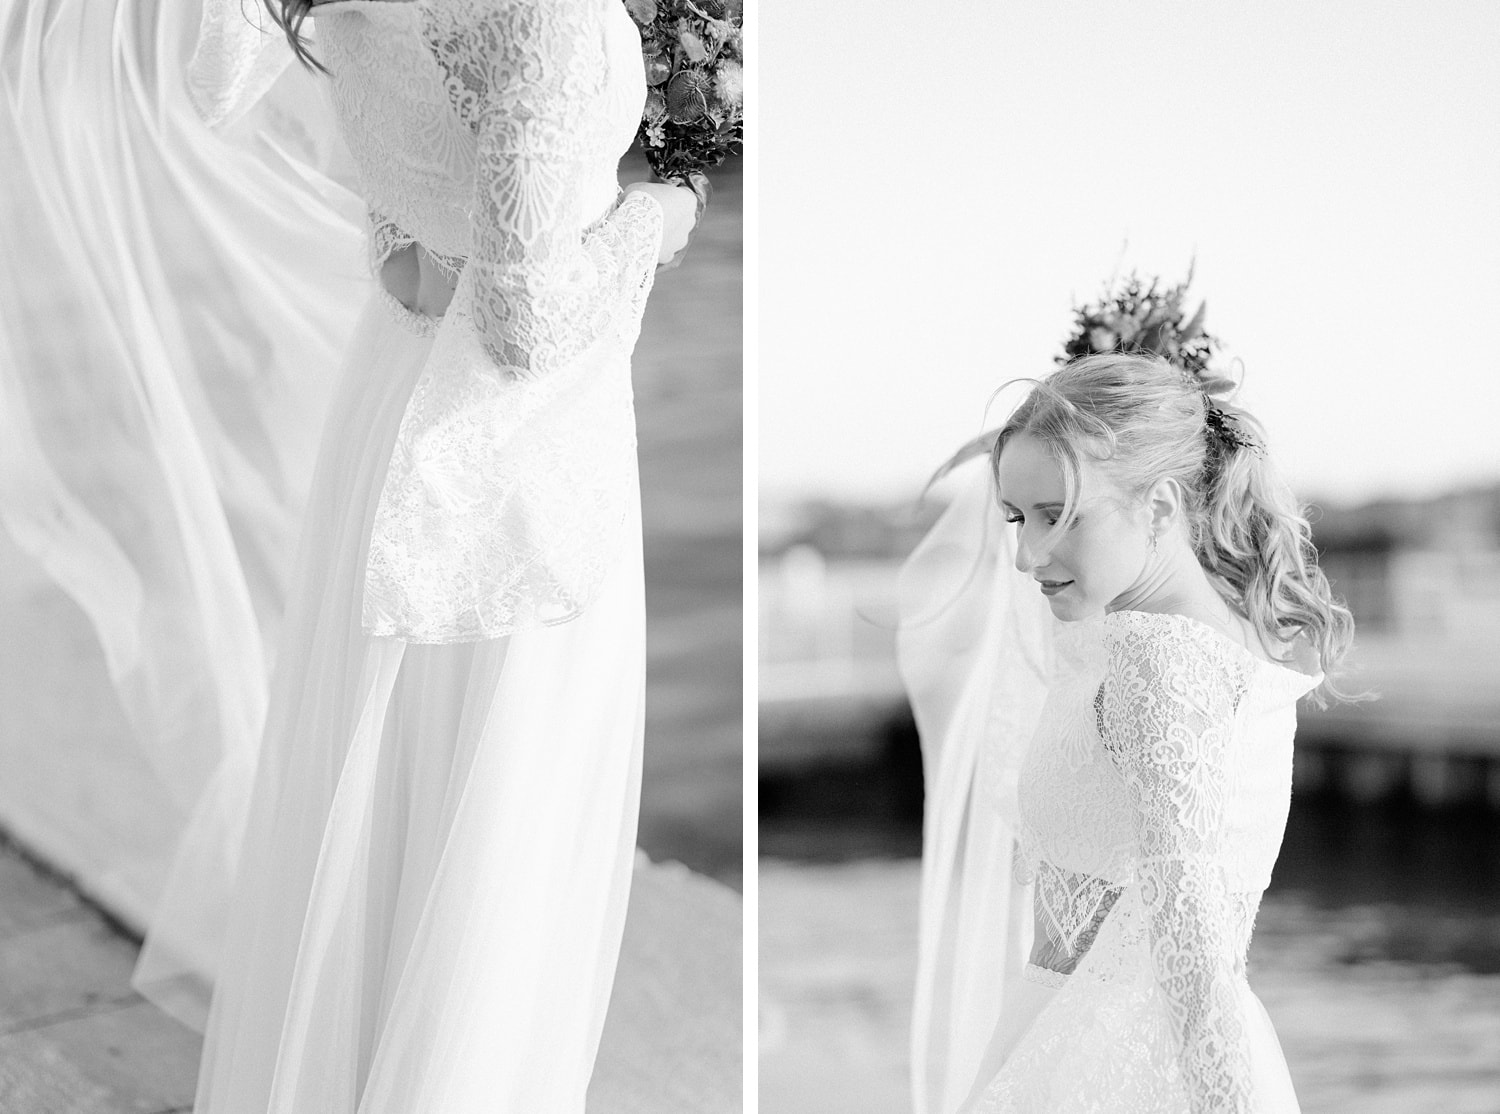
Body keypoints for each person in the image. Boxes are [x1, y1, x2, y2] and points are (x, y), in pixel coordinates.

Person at [130, 0, 706, 1110]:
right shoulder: (536, 17)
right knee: (489, 842)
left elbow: (397, 232)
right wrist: (660, 217)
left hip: (394, 397)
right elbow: (523, 324)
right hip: (514, 459)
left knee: (379, 809)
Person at [901, 352, 1353, 1114]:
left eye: (1060, 516)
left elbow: (1194, 940)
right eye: (1017, 517)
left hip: (1108, 1067)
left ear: (1161, 507)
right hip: (1089, 1043)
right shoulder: (1210, 636)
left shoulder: (1162, 661)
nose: (1026, 554)